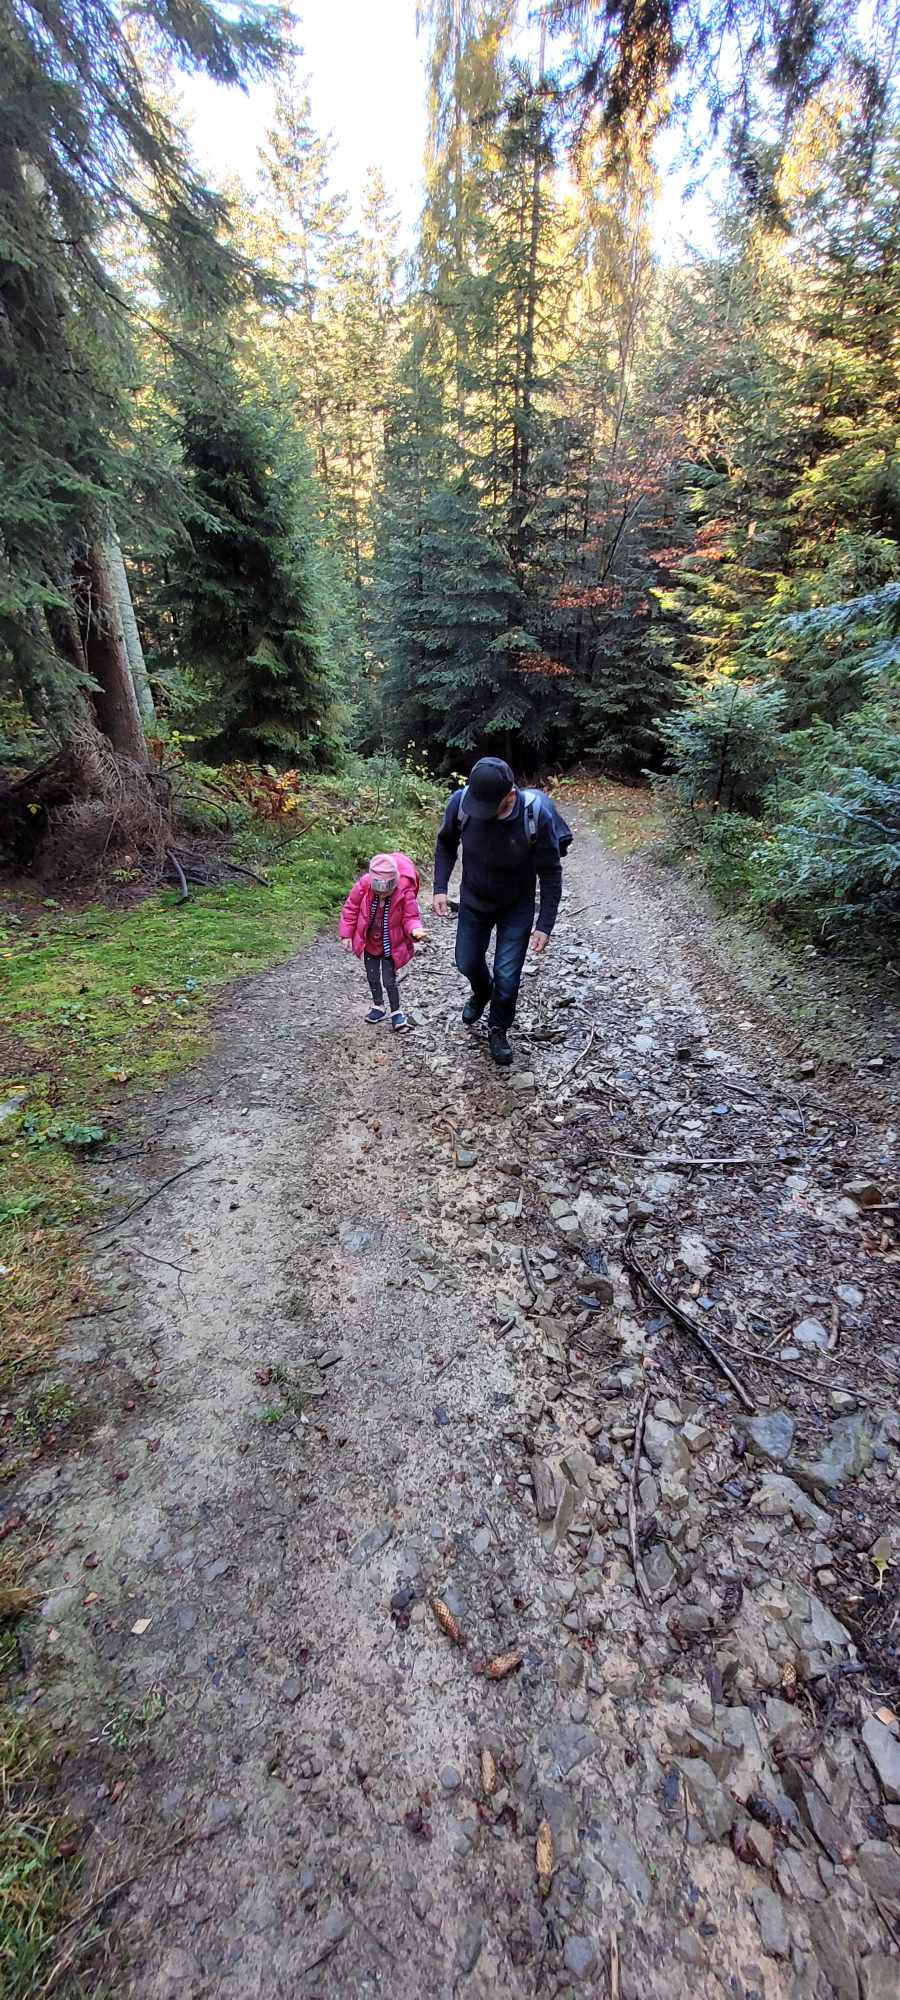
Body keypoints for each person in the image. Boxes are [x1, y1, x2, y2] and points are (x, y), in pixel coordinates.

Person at [432, 756, 561, 1066]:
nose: (482, 813)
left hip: (516, 906)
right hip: (474, 900)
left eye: (490, 807)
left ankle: (498, 1028)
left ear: (510, 795)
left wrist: (544, 923)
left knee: (508, 977)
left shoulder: (535, 816)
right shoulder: (461, 803)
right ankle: (481, 992)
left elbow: (550, 872)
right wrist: (439, 886)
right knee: (466, 961)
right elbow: (446, 842)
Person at [339, 851, 423, 1032]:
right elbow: (351, 908)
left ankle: (396, 1012)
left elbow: (411, 916)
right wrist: (346, 934)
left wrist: (415, 929)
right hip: (370, 942)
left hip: (391, 945)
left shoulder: (404, 891)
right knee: (372, 976)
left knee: (389, 980)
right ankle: (378, 1005)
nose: (383, 895)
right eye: (379, 891)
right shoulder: (363, 886)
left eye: (388, 891)